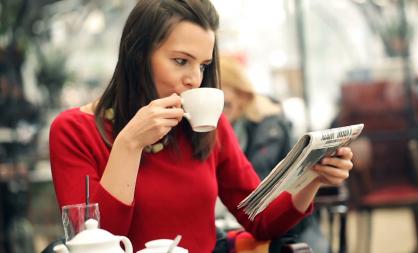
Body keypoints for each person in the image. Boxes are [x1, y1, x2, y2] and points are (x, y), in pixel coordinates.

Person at [49, 1, 354, 252]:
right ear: (137, 55)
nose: (195, 78)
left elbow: (259, 218)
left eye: (203, 65)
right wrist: (129, 144)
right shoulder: (74, 130)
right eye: (181, 61)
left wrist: (312, 177)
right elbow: (94, 244)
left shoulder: (207, 126)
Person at [218, 55, 329, 253]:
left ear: (243, 97)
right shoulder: (227, 128)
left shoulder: (268, 130)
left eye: (225, 105)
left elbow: (257, 199)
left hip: (290, 231)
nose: (221, 114)